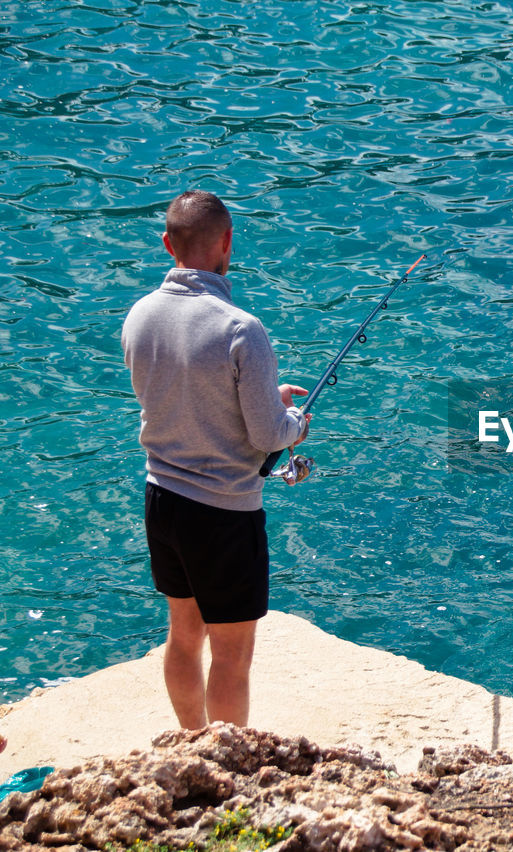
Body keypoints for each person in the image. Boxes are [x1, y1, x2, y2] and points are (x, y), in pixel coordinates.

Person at [121, 190, 311, 729]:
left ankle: (192, 743)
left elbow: (181, 396)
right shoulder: (240, 329)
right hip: (223, 515)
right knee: (231, 653)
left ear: (167, 245)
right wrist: (293, 425)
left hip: (162, 501)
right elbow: (266, 433)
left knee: (183, 633)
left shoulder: (139, 316)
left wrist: (259, 402)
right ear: (227, 243)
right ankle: (227, 767)